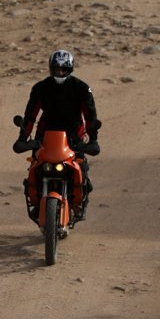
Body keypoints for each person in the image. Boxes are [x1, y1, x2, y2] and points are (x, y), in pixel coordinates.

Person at [14, 49, 100, 220]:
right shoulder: (40, 88)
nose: (60, 72)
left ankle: (80, 201)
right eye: (56, 69)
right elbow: (31, 115)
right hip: (45, 136)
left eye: (63, 69)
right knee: (35, 167)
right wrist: (23, 138)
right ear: (50, 68)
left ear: (70, 69)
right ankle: (35, 199)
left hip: (73, 136)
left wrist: (93, 139)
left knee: (81, 169)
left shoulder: (82, 88)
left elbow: (90, 116)